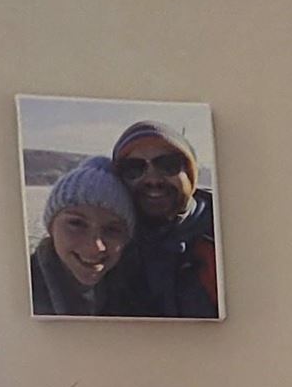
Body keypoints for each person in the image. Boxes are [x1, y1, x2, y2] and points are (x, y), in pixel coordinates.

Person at [100, 119, 218, 318]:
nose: (153, 179)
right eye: (134, 168)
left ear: (190, 173)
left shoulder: (226, 234)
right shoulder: (106, 245)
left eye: (167, 165)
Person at [28, 158, 138, 317]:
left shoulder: (138, 295)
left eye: (112, 229)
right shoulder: (14, 291)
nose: (94, 246)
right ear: (51, 227)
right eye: (77, 224)